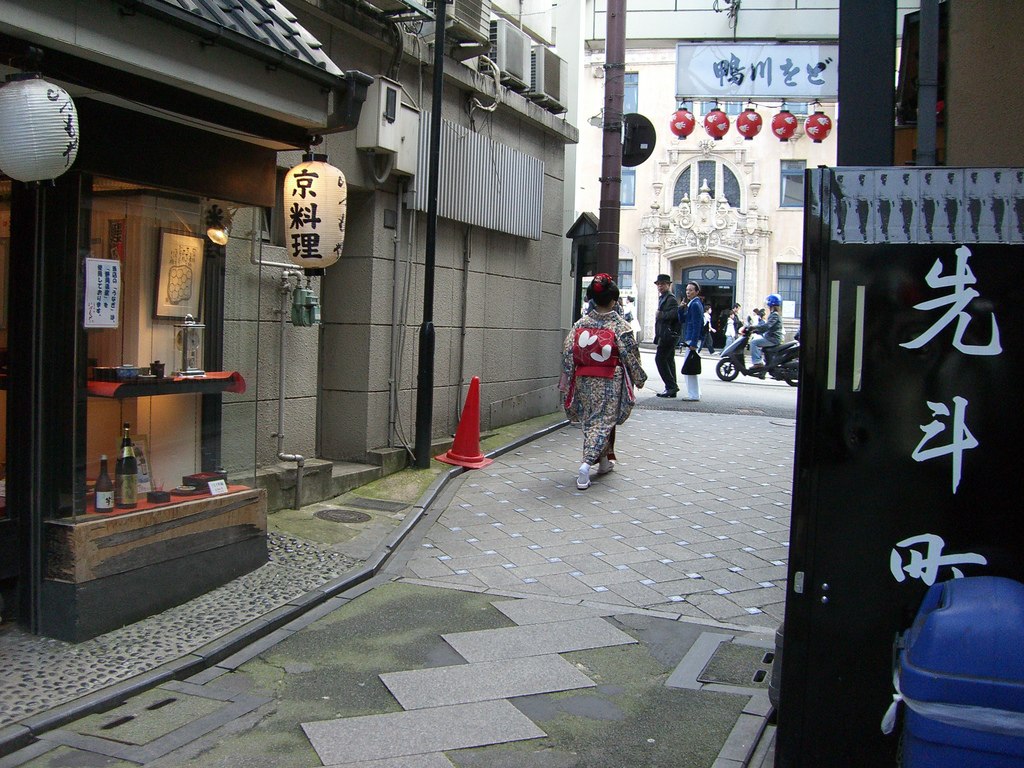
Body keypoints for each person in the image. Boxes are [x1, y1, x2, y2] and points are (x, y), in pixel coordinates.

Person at [560, 274, 648, 490]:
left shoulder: (581, 323)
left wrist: (569, 378)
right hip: (608, 379)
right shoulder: (619, 326)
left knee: (591, 420)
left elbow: (568, 352)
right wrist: (639, 377)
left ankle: (604, 462)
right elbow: (630, 355)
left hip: (584, 378)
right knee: (602, 422)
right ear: (613, 300)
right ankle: (585, 465)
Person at [652, 274, 681, 397]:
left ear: (668, 285)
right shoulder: (663, 297)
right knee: (668, 360)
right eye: (658, 284)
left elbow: (675, 314)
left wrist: (660, 315)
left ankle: (671, 386)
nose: (660, 286)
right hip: (665, 334)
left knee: (660, 359)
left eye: (663, 284)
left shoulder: (671, 298)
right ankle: (671, 388)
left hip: (668, 335)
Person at [743, 294, 786, 370]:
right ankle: (763, 366)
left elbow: (767, 326)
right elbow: (767, 327)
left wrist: (753, 327)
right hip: (771, 337)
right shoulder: (774, 314)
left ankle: (758, 363)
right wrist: (756, 331)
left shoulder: (774, 315)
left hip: (773, 338)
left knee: (754, 342)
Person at [679, 280, 704, 401]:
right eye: (687, 290)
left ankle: (693, 394)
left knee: (689, 367)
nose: (688, 292)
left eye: (691, 290)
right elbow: (683, 319)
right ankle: (695, 392)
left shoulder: (695, 304)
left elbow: (697, 324)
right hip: (690, 338)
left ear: (697, 292)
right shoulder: (692, 304)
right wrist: (681, 308)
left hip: (692, 339)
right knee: (690, 366)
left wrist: (694, 342)